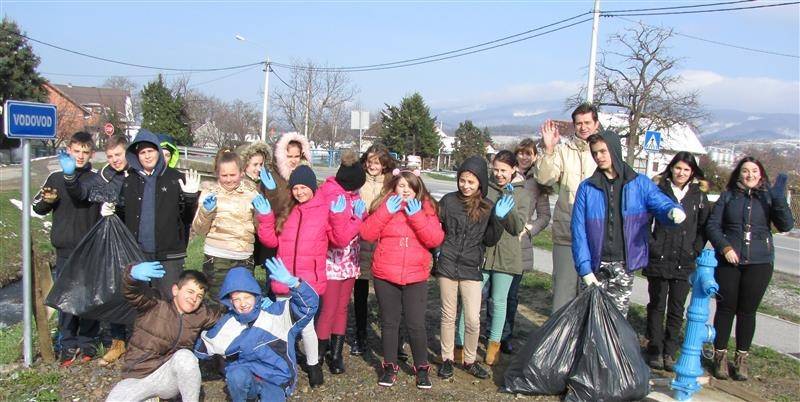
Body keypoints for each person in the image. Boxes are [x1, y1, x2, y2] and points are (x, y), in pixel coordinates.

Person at [255, 165, 360, 388]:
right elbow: (271, 241)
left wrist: (341, 217)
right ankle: (285, 365)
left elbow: (340, 240)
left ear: (313, 187)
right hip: (283, 279)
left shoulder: (324, 210)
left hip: (307, 283)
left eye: (304, 187)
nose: (299, 192)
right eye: (296, 188)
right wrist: (265, 218)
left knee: (306, 326)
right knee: (283, 326)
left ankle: (314, 366)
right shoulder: (287, 210)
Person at [571, 132, 684, 317]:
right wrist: (585, 269)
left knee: (616, 321)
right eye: (595, 153)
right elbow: (578, 230)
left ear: (614, 150)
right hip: (594, 265)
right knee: (589, 320)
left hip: (623, 265)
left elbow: (658, 202)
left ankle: (613, 348)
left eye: (603, 151)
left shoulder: (639, 184)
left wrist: (671, 211)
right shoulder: (587, 188)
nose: (598, 157)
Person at [706, 157, 794, 381]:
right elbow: (712, 225)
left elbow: (786, 225)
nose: (750, 175)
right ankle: (720, 356)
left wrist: (779, 199)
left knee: (747, 312)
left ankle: (742, 358)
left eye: (754, 171)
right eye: (745, 171)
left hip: (759, 262)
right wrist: (725, 247)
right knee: (726, 309)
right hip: (729, 262)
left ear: (761, 174)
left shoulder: (767, 197)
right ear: (738, 174)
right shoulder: (728, 196)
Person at [360, 169, 445, 389]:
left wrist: (417, 218)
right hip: (385, 274)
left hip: (415, 275)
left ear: (417, 188)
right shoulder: (384, 205)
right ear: (394, 187)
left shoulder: (427, 208)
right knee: (390, 323)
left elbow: (435, 238)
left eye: (410, 186)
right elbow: (367, 233)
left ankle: (422, 369)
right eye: (401, 185)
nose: (405, 189)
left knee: (416, 324)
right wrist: (384, 212)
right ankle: (389, 367)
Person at [195, 259, 319, 402]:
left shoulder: (277, 314)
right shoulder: (226, 324)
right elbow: (198, 348)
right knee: (236, 375)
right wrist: (191, 315)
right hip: (247, 375)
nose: (243, 304)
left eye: (247, 297)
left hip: (276, 379)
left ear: (256, 295)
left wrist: (294, 283)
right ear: (230, 301)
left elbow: (309, 306)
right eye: (236, 299)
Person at [32, 131, 100, 366]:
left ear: (91, 153)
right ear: (68, 150)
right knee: (66, 300)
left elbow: (82, 197)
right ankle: (67, 344)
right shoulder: (55, 177)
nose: (80, 156)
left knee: (89, 298)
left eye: (85, 152)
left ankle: (88, 342)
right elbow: (37, 208)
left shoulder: (94, 178)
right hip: (64, 250)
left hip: (90, 249)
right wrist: (46, 202)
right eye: (76, 151)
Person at [63, 134, 131, 366]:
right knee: (114, 291)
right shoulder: (105, 175)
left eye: (118, 155)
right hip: (114, 241)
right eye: (110, 156)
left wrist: (120, 205)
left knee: (143, 292)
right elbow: (82, 193)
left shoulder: (137, 173)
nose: (114, 160)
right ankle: (118, 342)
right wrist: (71, 177)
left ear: (127, 153)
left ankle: (144, 340)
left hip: (138, 238)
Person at [105, 265, 220, 402]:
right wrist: (131, 274)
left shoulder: (201, 314)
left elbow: (224, 312)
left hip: (167, 379)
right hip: (137, 377)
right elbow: (132, 292)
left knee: (186, 357)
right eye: (190, 291)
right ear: (175, 290)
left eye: (199, 296)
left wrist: (241, 297)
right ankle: (152, 399)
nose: (194, 298)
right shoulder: (155, 304)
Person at [435, 156, 503, 380]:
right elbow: (437, 230)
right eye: (462, 180)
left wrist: (499, 220)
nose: (465, 185)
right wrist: (437, 252)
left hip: (472, 267)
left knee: (473, 319)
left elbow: (491, 240)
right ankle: (446, 358)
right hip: (447, 265)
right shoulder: (447, 201)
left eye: (471, 182)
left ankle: (470, 359)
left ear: (480, 184)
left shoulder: (487, 207)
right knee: (448, 315)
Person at [459, 150, 528, 367]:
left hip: (507, 256)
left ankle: (493, 347)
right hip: (483, 253)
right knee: (471, 300)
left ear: (514, 170)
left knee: (498, 302)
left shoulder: (522, 193)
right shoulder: (485, 190)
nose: (499, 174)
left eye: (504, 170)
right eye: (496, 169)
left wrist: (508, 209)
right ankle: (460, 344)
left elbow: (517, 227)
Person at [644, 152, 710, 371]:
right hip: (659, 257)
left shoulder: (698, 195)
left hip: (684, 260)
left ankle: (669, 351)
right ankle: (654, 347)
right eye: (678, 168)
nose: (681, 173)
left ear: (693, 173)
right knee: (656, 305)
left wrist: (695, 250)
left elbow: (703, 227)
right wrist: (652, 245)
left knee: (676, 308)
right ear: (671, 168)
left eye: (687, 170)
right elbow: (645, 221)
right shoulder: (658, 189)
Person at [114, 129, 200, 299]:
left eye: (151, 151)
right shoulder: (129, 181)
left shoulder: (176, 178)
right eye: (142, 152)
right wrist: (112, 210)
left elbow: (187, 218)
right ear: (136, 156)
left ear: (158, 152)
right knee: (140, 301)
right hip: (138, 254)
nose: (147, 156)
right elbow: (122, 216)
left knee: (168, 301)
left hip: (169, 255)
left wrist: (190, 198)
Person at [535, 104, 599, 313]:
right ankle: (560, 344)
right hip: (567, 233)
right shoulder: (563, 151)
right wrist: (549, 149)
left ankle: (586, 344)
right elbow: (545, 178)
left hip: (596, 236)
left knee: (591, 295)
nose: (583, 127)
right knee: (563, 295)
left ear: (596, 123)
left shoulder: (603, 151)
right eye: (579, 123)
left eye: (587, 122)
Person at [315, 150, 367, 374]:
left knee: (343, 307)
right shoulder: (331, 195)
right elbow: (340, 238)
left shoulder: (353, 195)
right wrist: (357, 218)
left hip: (349, 260)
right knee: (329, 308)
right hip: (332, 261)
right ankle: (317, 354)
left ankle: (335, 354)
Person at [497, 139, 551, 354]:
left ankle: (505, 335)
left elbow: (545, 215)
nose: (524, 157)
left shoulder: (538, 182)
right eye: (521, 153)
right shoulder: (504, 173)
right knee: (492, 292)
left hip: (519, 244)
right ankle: (490, 330)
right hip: (498, 237)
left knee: (511, 294)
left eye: (529, 153)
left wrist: (530, 229)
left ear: (535, 156)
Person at [192, 150, 259, 299]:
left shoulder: (252, 193)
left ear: (241, 173)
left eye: (232, 175)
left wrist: (262, 214)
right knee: (217, 300)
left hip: (244, 256)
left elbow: (259, 228)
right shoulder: (209, 193)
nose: (228, 180)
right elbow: (199, 229)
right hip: (217, 257)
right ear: (218, 174)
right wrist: (206, 211)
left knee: (243, 301)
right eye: (224, 175)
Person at [352, 144, 397, 356]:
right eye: (370, 161)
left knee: (386, 293)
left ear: (384, 163)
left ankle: (394, 339)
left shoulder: (391, 183)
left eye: (377, 162)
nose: (372, 166)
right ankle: (360, 336)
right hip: (359, 239)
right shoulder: (357, 180)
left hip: (382, 241)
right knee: (360, 291)